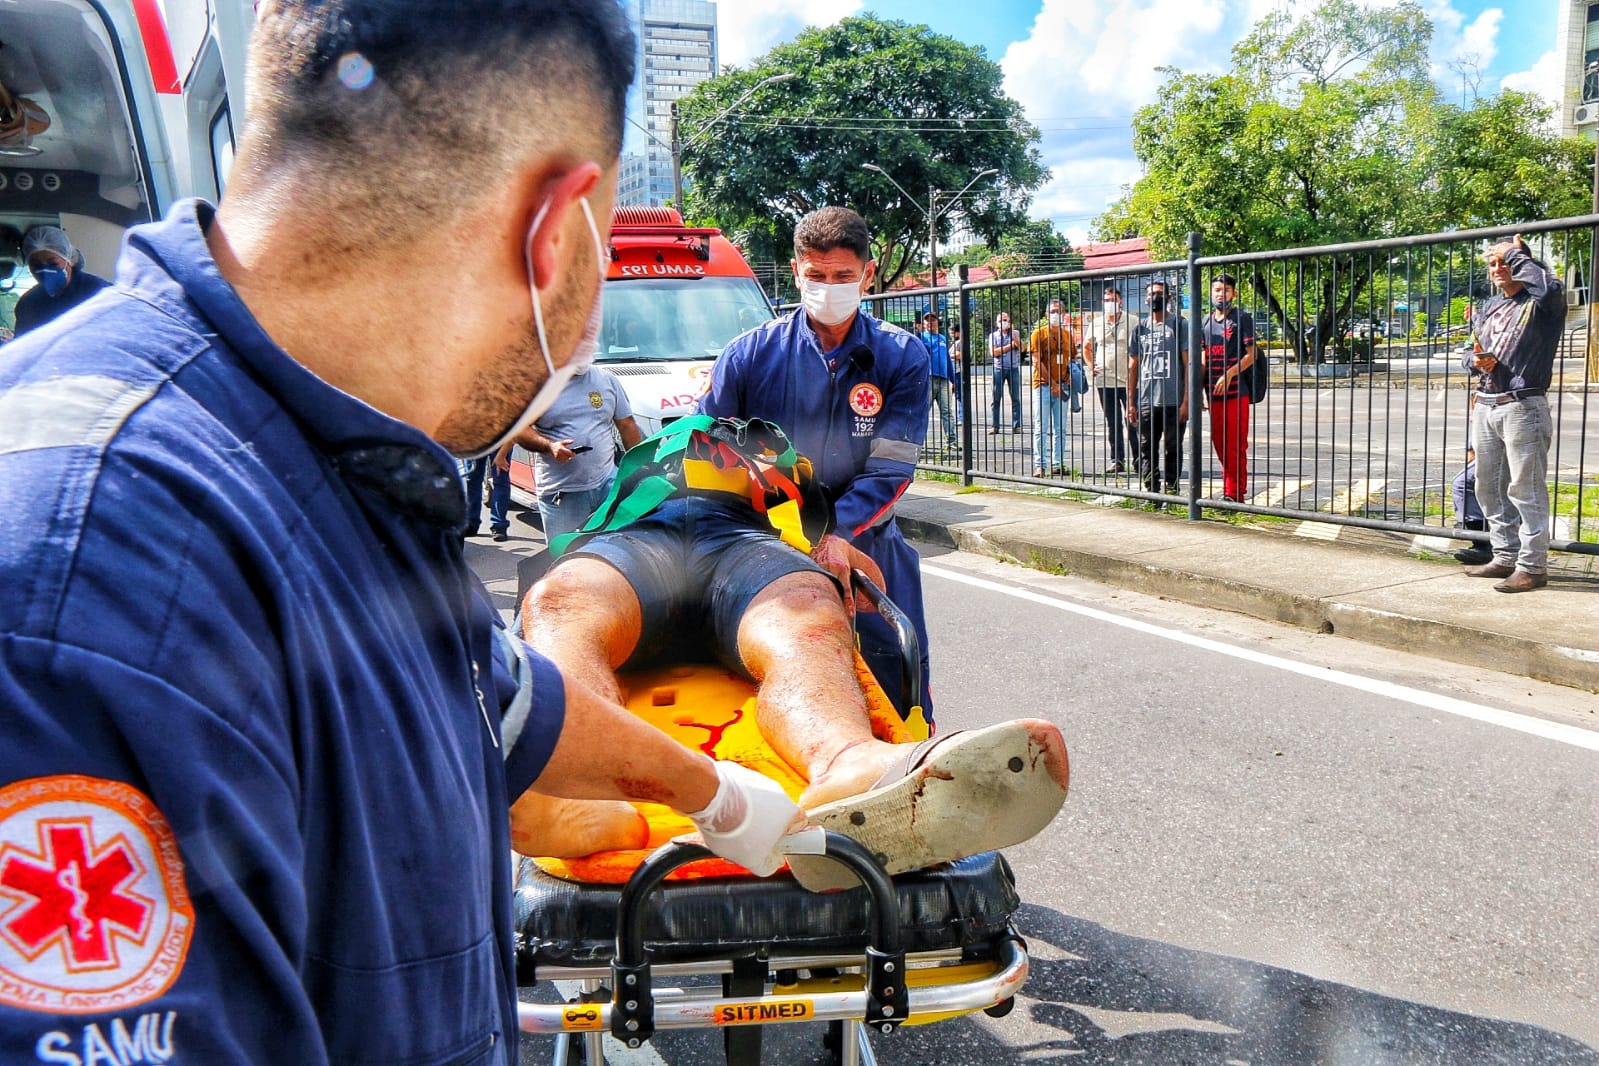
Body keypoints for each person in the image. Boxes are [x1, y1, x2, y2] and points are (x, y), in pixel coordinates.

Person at [0, 3, 805, 1060]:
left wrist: (717, 794)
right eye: (605, 255)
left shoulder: (329, 461)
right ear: (554, 230)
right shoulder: (96, 563)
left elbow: (501, 694)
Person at [513, 423, 1070, 889]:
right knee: (561, 601)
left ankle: (847, 761)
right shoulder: (640, 470)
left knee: (804, 610)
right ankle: (571, 791)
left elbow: (822, 538)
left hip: (741, 544)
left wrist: (837, 547)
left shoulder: (776, 454)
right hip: (635, 541)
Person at [698, 206, 935, 718]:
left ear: (867, 275)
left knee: (895, 676)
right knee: (773, 685)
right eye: (817, 276)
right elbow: (705, 450)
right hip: (765, 549)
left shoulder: (902, 356)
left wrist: (838, 535)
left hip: (867, 544)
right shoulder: (748, 356)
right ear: (796, 271)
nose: (829, 287)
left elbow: (891, 468)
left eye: (843, 276)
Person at [1459, 235, 1564, 593]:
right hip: (1487, 403)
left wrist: (1515, 253)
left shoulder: (1542, 303)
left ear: (1523, 264)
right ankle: (1505, 555)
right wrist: (1473, 361)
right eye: (1493, 264)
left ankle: (1533, 566)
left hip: (1523, 405)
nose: (1499, 269)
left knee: (1526, 487)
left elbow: (1547, 288)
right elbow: (1469, 349)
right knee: (1488, 486)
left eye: (1506, 262)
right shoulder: (1491, 307)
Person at [509, 362, 643, 540]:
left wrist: (639, 471)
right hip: (562, 493)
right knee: (568, 559)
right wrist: (550, 447)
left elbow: (627, 426)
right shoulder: (535, 386)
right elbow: (519, 430)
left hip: (607, 485)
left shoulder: (606, 380)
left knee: (615, 549)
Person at [1200, 272, 1259, 502]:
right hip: (1212, 394)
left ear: (1233, 293)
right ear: (1211, 293)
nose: (1220, 294)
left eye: (1225, 290)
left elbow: (1251, 355)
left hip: (1236, 394)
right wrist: (1197, 389)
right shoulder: (1206, 321)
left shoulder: (1242, 319)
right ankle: (1230, 487)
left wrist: (1230, 373)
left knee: (1235, 445)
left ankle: (1235, 494)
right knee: (1219, 443)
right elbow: (1203, 357)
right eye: (1217, 290)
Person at [1128, 279, 1189, 497]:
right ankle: (1151, 492)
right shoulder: (1140, 329)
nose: (1156, 297)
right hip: (1146, 400)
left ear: (1169, 298)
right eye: (1152, 294)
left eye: (1160, 293)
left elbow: (1188, 363)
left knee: (1172, 447)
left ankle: (1172, 490)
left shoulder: (1180, 325)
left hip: (1174, 400)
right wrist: (1131, 402)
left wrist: (1187, 400)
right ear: (1146, 299)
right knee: (1147, 449)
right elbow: (1133, 366)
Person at [12, 225, 110, 336]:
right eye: (36, 265)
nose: (44, 270)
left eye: (53, 264)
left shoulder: (99, 292)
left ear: (69, 260)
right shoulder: (28, 304)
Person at [1084, 285, 1138, 474]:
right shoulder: (1096, 323)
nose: (1109, 304)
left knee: (1133, 420)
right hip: (1104, 381)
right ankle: (1117, 460)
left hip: (1129, 380)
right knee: (1113, 422)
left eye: (1112, 300)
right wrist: (1091, 366)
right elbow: (1086, 347)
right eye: (1106, 301)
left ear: (1120, 301)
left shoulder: (1133, 321)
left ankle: (1139, 460)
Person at [1028, 298, 1077, 477]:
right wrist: (1053, 383)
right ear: (1046, 315)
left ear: (1064, 314)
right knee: (1041, 427)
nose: (1056, 315)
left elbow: (1072, 359)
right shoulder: (1038, 334)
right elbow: (1036, 361)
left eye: (1059, 311)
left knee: (1060, 428)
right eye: (1052, 312)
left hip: (1062, 385)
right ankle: (1040, 464)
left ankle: (1058, 463)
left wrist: (1069, 376)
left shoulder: (1067, 335)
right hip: (1042, 385)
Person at [921, 310, 958, 450]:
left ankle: (952, 441)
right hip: (928, 378)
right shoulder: (922, 337)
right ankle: (920, 442)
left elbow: (947, 359)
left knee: (947, 411)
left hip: (943, 379)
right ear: (924, 324)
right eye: (927, 320)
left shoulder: (942, 338)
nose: (930, 322)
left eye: (933, 320)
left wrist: (953, 379)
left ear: (937, 322)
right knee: (924, 411)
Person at [460, 453, 513, 540]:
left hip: (499, 442)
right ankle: (471, 523)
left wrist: (502, 454)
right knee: (472, 479)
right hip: (475, 442)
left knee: (500, 478)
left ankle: (499, 526)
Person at [988, 311, 1023, 433]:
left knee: (1015, 398)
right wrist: (1010, 346)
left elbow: (1022, 347)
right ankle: (995, 426)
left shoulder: (1015, 333)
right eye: (1000, 320)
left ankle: (1017, 425)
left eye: (1005, 320)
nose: (1003, 323)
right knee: (996, 398)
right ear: (997, 323)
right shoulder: (993, 336)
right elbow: (994, 353)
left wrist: (1014, 337)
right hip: (998, 369)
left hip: (1013, 368)